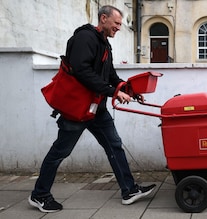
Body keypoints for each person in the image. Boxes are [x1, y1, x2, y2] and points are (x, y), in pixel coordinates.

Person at [28, 5, 156, 213]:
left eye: (120, 25)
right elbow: (82, 71)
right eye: (116, 23)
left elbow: (110, 76)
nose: (118, 28)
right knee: (60, 151)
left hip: (96, 108)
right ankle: (39, 195)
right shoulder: (85, 38)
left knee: (114, 145)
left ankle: (129, 190)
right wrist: (112, 92)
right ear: (103, 18)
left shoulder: (104, 43)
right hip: (77, 108)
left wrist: (129, 90)